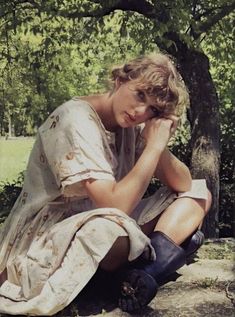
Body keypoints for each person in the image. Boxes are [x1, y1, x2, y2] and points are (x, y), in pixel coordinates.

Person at [0, 52, 211, 315]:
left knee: (198, 194)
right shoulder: (74, 119)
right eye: (140, 95)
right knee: (107, 231)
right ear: (120, 80)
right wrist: (152, 148)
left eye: (153, 110)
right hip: (51, 234)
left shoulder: (131, 126)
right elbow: (115, 205)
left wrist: (157, 143)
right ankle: (164, 254)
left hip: (108, 220)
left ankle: (143, 274)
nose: (140, 111)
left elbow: (184, 182)